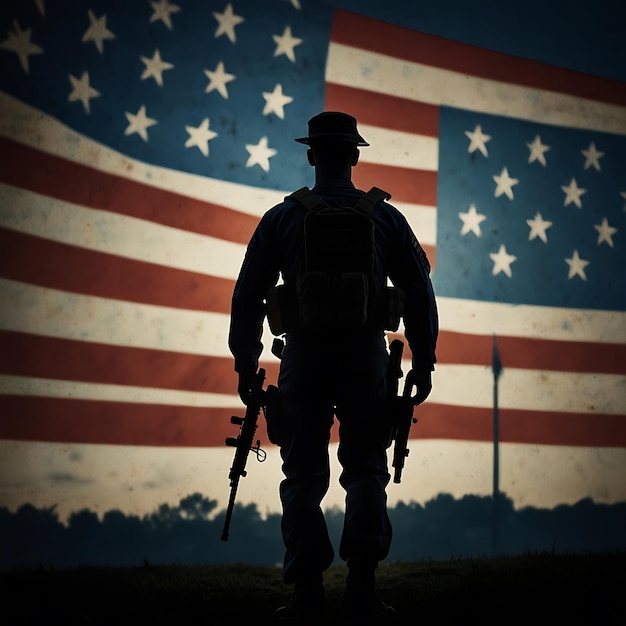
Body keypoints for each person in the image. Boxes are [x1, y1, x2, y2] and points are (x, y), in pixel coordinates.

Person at [228, 112, 438, 624]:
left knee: (301, 475)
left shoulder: (282, 217)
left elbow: (248, 291)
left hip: (302, 356)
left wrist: (245, 359)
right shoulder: (385, 218)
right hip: (366, 357)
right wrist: (423, 358)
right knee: (366, 471)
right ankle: (362, 593)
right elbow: (419, 291)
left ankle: (306, 595)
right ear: (355, 155)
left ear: (310, 154)